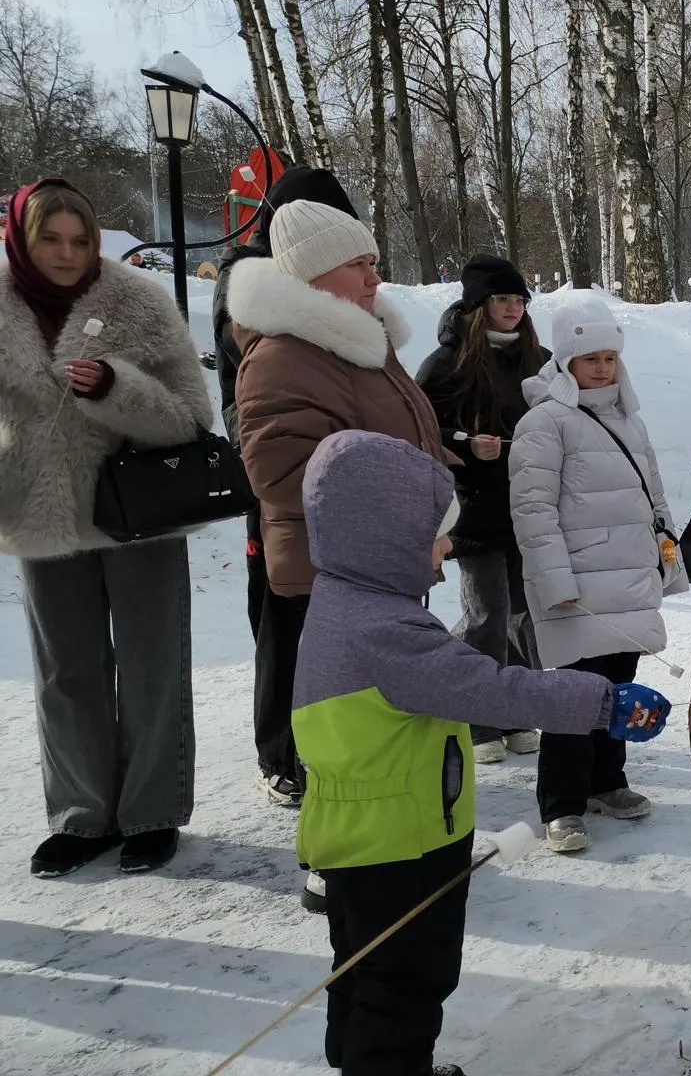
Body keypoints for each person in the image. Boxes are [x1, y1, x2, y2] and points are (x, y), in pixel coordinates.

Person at [294, 429, 663, 1076]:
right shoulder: (388, 632)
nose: (449, 546)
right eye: (436, 532)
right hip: (402, 842)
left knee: (362, 964)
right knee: (409, 978)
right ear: (383, 534)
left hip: (350, 832)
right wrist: (602, 704)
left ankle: (364, 1061)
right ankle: (386, 1065)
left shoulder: (339, 598)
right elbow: (495, 689)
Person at [231, 199, 456, 909]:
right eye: (359, 263)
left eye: (373, 261)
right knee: (340, 735)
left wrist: (443, 484)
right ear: (313, 271)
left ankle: (387, 848)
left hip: (381, 565)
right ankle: (337, 865)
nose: (373, 275)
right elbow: (283, 473)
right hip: (329, 577)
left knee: (382, 722)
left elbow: (401, 440)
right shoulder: (283, 356)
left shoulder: (359, 343)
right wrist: (407, 515)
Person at [0, 178, 210, 877]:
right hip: (38, 512)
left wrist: (114, 388)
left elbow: (190, 417)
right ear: (21, 240)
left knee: (152, 665)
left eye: (80, 240)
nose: (67, 254)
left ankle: (151, 812)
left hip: (137, 515)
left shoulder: (139, 302)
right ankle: (82, 816)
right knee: (65, 672)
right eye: (50, 239)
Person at [209, 166, 362, 803]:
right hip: (278, 493)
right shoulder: (250, 296)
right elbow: (241, 403)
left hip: (347, 492)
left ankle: (338, 741)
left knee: (345, 625)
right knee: (282, 620)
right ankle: (279, 751)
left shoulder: (346, 295)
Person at [512, 300, 684, 853]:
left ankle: (608, 781)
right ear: (566, 361)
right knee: (571, 697)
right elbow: (533, 510)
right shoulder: (544, 422)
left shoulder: (628, 419)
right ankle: (561, 805)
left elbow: (654, 497)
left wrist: (669, 562)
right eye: (591, 358)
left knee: (618, 689)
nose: (604, 368)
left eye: (610, 357)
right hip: (577, 587)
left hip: (629, 581)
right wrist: (554, 581)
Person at [415, 254, 548, 763]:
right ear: (478, 305)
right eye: (502, 299)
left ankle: (515, 712)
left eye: (519, 299)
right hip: (473, 506)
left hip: (530, 504)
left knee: (523, 612)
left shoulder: (541, 357)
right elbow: (421, 429)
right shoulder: (446, 362)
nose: (513, 308)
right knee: (486, 613)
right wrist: (466, 444)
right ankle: (479, 718)